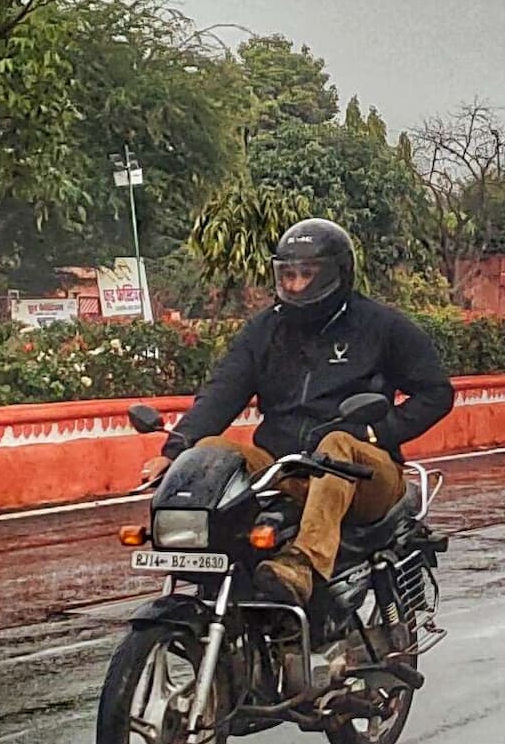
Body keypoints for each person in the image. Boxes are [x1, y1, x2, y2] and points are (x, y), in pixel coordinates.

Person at [164, 219, 455, 621]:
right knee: (212, 450)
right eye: (289, 274)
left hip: (366, 474)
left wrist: (378, 431)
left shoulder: (381, 326)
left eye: (307, 274)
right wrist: (176, 449)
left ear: (338, 273)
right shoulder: (265, 330)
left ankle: (302, 564)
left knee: (336, 443)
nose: (297, 285)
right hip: (285, 469)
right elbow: (222, 391)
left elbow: (436, 392)